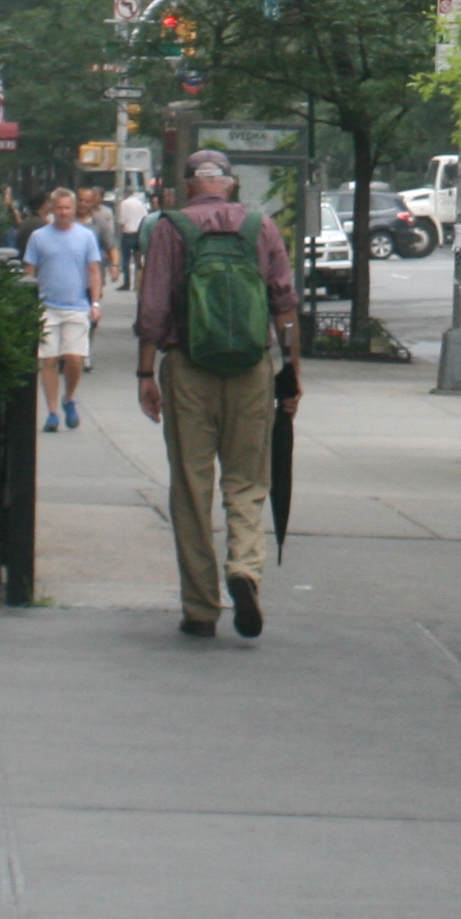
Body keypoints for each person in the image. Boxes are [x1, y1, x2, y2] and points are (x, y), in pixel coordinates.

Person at [134, 151, 303, 639]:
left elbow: (153, 308)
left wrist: (146, 372)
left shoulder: (170, 228)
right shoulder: (261, 227)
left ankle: (201, 607)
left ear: (189, 186)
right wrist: (290, 373)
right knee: (247, 480)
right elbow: (284, 304)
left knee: (191, 486)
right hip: (251, 369)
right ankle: (244, 569)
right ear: (229, 184)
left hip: (188, 367)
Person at [24, 188, 107, 432]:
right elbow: (29, 271)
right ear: (52, 209)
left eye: (67, 208)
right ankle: (52, 412)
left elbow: (93, 271)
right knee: (48, 360)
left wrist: (95, 303)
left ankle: (68, 397)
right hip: (47, 306)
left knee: (74, 358)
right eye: (59, 208)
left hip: (76, 306)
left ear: (73, 209)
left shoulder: (86, 236)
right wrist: (28, 305)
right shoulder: (39, 237)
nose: (63, 212)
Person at [109, 180, 153, 291]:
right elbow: (145, 216)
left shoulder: (124, 203)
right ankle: (139, 282)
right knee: (138, 259)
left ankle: (127, 283)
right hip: (139, 233)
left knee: (126, 260)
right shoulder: (140, 203)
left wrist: (120, 232)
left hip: (128, 234)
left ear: (125, 194)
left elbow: (122, 221)